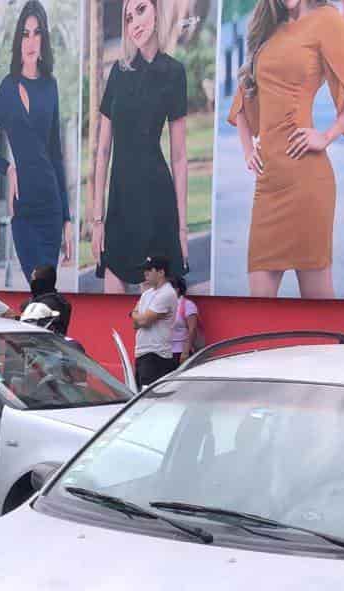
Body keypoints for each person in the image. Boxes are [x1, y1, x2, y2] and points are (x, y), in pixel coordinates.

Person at [228, 0, 344, 298]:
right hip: (268, 185)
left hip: (307, 180)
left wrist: (327, 135)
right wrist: (247, 149)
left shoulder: (326, 19)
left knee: (317, 300)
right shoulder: (269, 29)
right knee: (259, 302)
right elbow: (243, 94)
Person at [89, 0, 189, 293]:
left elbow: (180, 157)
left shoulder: (174, 72)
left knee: (151, 316)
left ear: (158, 12)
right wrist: (98, 220)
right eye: (128, 17)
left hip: (155, 201)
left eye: (142, 10)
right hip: (119, 205)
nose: (134, 22)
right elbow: (102, 152)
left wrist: (183, 229)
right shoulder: (118, 74)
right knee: (111, 302)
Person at [0, 0, 74, 284]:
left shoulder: (50, 86)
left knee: (46, 287)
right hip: (24, 205)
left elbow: (56, 155)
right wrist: (8, 169)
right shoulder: (8, 87)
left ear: (44, 40)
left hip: (51, 204)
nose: (31, 41)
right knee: (35, 282)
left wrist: (66, 217)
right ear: (19, 41)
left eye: (37, 32)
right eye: (25, 34)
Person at [131, 256, 179, 386]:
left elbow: (144, 321)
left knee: (149, 398)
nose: (145, 273)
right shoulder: (147, 293)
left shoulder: (167, 293)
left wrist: (135, 314)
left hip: (156, 355)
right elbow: (135, 324)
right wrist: (136, 316)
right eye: (144, 269)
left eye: (149, 269)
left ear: (161, 272)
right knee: (139, 395)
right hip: (142, 352)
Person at [26, 264, 71, 334]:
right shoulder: (59, 300)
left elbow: (29, 329)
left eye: (33, 279)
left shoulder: (46, 304)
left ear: (40, 282)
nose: (31, 282)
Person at [168, 276, 201, 361]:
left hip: (180, 352)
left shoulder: (187, 305)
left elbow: (192, 330)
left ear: (177, 289)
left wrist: (185, 351)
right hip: (164, 351)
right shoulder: (163, 304)